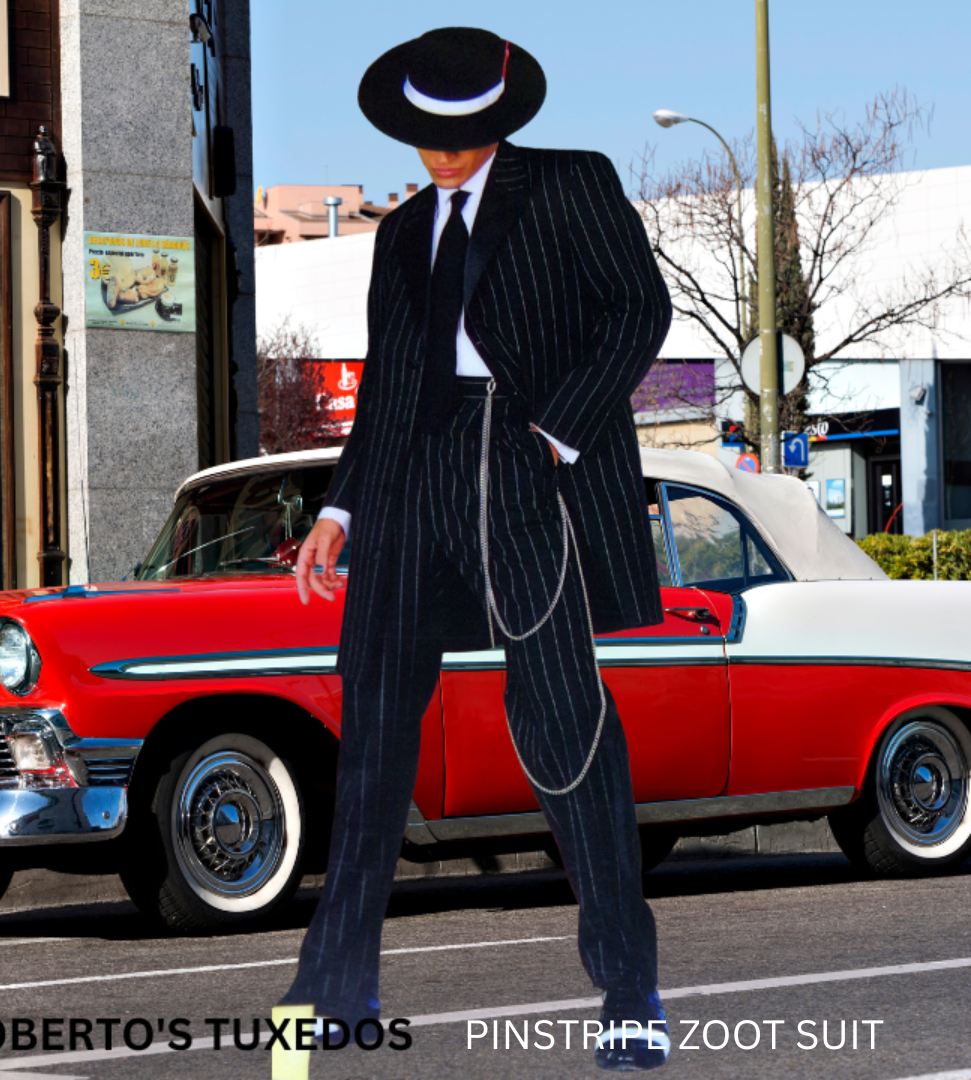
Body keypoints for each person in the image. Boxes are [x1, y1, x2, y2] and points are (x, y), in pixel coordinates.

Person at [282, 27, 673, 1071]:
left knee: (562, 728)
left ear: (499, 122)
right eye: (427, 138)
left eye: (463, 136)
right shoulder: (399, 237)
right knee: (372, 728)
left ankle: (630, 989)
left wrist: (559, 430)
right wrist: (341, 511)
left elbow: (642, 309)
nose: (444, 155)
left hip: (524, 456)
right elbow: (390, 387)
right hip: (413, 477)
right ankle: (334, 988)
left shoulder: (570, 184)